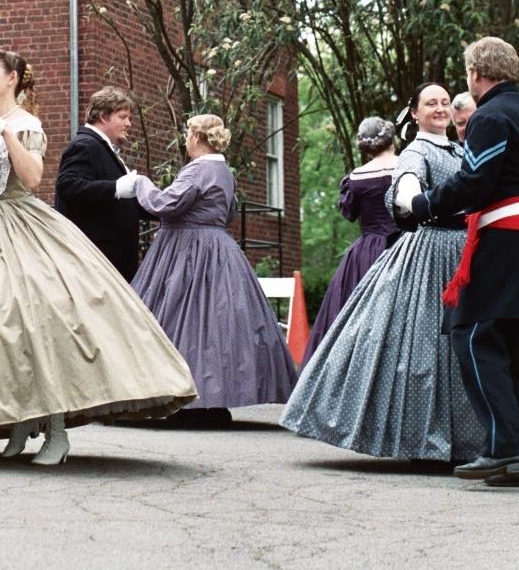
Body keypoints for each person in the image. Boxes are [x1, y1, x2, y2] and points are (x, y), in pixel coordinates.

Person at [0, 52, 195, 462]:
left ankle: (56, 431)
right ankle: (18, 420)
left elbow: (31, 178)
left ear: (11, 78)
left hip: (19, 225)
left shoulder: (26, 125)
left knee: (37, 319)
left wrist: (5, 134)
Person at [281, 83, 484, 464]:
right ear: (415, 113)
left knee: (466, 343)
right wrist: (417, 200)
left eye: (444, 102)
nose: (440, 108)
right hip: (429, 249)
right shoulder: (416, 151)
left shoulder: (461, 150)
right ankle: (423, 439)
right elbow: (406, 185)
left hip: (464, 251)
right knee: (424, 343)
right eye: (431, 103)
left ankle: (470, 439)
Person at [411, 37, 519, 489]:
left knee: (471, 333)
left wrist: (425, 204)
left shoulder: (489, 117)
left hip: (506, 241)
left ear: (475, 76)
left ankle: (505, 447)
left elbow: (476, 181)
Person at [129, 114, 296, 420]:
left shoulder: (197, 170)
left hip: (185, 250)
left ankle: (183, 398)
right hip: (220, 248)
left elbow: (164, 204)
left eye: (187, 134)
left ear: (197, 137)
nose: (185, 141)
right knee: (217, 324)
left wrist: (139, 183)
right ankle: (215, 401)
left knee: (184, 320)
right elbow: (229, 211)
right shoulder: (224, 171)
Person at [302, 117, 400, 357]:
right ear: (392, 140)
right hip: (406, 246)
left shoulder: (356, 177)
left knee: (356, 317)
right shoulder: (409, 166)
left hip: (367, 253)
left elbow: (350, 213)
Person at [55, 86, 143, 280]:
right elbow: (68, 186)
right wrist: (116, 188)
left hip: (109, 260)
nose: (129, 124)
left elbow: (127, 202)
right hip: (96, 261)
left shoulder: (101, 147)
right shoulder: (85, 145)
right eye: (123, 117)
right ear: (103, 117)